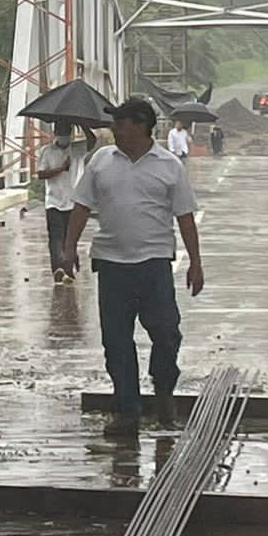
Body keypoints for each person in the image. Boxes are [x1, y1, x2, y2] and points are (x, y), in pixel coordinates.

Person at [62, 97, 203, 437]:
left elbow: (185, 217)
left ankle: (163, 388)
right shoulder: (101, 161)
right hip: (111, 264)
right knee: (116, 341)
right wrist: (69, 248)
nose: (115, 129)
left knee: (166, 333)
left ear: (140, 126)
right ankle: (127, 410)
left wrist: (196, 263)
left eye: (121, 123)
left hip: (154, 264)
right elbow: (81, 206)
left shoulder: (169, 166)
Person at [35, 124, 79, 285]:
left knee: (70, 238)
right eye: (61, 132)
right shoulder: (47, 152)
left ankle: (69, 268)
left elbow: (92, 141)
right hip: (53, 201)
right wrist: (61, 169)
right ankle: (58, 269)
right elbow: (41, 174)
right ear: (55, 133)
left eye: (66, 132)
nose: (64, 135)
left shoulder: (76, 150)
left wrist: (83, 125)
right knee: (56, 238)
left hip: (72, 202)